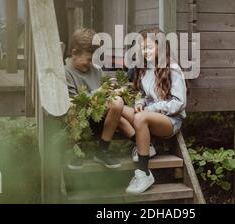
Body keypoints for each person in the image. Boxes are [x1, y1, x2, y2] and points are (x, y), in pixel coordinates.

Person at [122, 28, 187, 194]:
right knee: (121, 110)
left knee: (141, 118)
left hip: (170, 121)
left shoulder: (172, 68)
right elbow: (145, 95)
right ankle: (146, 145)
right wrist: (140, 102)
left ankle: (143, 173)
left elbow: (179, 103)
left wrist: (151, 108)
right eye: (143, 48)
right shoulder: (145, 69)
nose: (146, 52)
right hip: (149, 117)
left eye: (150, 47)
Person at [65, 28, 130, 169]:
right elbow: (74, 102)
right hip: (79, 121)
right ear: (74, 53)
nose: (90, 63)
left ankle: (103, 149)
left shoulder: (95, 70)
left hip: (100, 119)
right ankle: (73, 150)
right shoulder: (66, 73)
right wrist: (99, 92)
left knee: (117, 102)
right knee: (70, 107)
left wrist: (112, 90)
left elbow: (104, 95)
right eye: (88, 59)